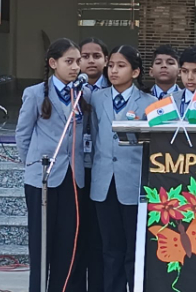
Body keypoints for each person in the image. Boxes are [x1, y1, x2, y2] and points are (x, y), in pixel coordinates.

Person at [16, 38, 88, 292]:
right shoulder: (35, 93)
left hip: (73, 176)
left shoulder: (83, 93)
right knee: (41, 243)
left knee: (66, 243)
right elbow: (23, 135)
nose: (75, 67)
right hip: (43, 177)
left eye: (78, 61)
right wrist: (33, 164)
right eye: (69, 61)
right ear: (53, 63)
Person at [89, 45, 156, 292]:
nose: (114, 71)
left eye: (121, 66)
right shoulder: (97, 98)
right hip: (104, 183)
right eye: (111, 66)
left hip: (135, 183)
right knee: (110, 249)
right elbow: (94, 133)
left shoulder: (150, 103)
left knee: (135, 249)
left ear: (135, 72)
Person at [79, 37, 109, 292]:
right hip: (76, 170)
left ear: (106, 60)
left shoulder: (113, 89)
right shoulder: (72, 88)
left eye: (96, 56)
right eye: (85, 56)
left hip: (105, 171)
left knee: (100, 236)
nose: (91, 61)